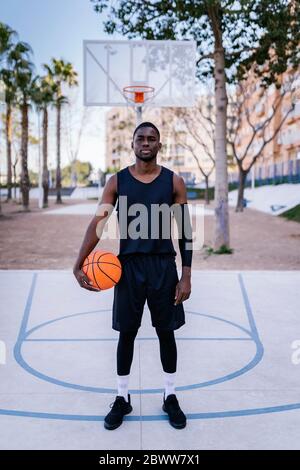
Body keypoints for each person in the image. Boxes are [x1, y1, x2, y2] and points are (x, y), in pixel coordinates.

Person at [73, 122, 193, 430]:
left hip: (163, 266)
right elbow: (97, 224)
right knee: (126, 333)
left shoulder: (174, 181)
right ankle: (122, 397)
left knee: (166, 332)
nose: (146, 142)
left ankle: (170, 395)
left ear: (159, 145)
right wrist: (79, 262)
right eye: (141, 137)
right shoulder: (116, 182)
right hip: (128, 268)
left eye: (152, 138)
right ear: (132, 143)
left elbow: (186, 232)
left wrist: (186, 274)